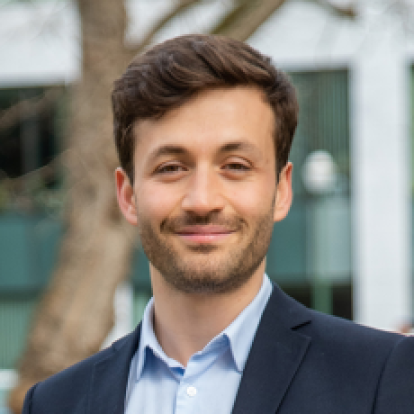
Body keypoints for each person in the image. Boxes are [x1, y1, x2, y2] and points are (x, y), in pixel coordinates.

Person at [23, 34, 414, 414]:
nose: (203, 201)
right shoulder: (55, 404)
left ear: (281, 190)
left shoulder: (382, 376)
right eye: (171, 168)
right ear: (128, 196)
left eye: (236, 166)